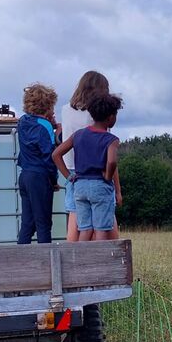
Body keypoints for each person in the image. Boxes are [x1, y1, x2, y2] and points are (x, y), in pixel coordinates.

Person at [60, 71, 122, 241]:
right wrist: (116, 187)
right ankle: (112, 254)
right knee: (104, 220)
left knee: (76, 220)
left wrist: (67, 176)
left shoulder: (65, 110)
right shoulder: (96, 114)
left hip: (73, 171)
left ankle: (74, 254)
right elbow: (109, 157)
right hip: (96, 172)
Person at [17, 83, 59, 244]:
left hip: (25, 175)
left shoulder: (22, 121)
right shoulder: (45, 125)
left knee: (27, 224)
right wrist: (53, 180)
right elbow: (49, 155)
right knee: (43, 224)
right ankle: (47, 256)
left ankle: (20, 256)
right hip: (40, 177)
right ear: (47, 106)